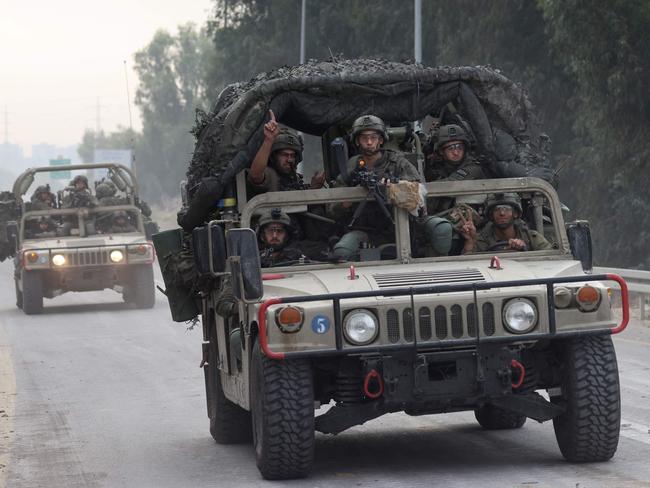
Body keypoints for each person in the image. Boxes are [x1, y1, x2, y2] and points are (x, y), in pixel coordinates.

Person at [332, 115, 451, 260]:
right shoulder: (351, 167)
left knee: (442, 229)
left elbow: (418, 192)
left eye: (373, 137)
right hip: (367, 230)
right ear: (357, 141)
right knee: (342, 251)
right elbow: (332, 207)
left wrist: (394, 188)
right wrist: (345, 203)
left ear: (381, 140)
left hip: (403, 225)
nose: (369, 142)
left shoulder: (397, 162)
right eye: (364, 138)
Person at [248, 110, 325, 194]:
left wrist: (313, 187)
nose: (289, 160)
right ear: (274, 156)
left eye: (292, 156)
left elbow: (297, 204)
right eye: (284, 155)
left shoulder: (295, 179)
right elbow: (255, 175)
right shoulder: (270, 175)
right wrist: (269, 139)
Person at [459, 193, 552, 253]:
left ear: (515, 214)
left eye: (507, 209)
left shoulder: (531, 237)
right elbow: (467, 266)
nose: (502, 213)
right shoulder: (481, 240)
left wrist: (524, 249)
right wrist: (470, 243)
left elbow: (551, 261)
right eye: (496, 210)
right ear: (491, 215)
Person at [424, 124, 491, 182]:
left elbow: (451, 184)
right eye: (450, 148)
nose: (456, 153)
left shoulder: (473, 166)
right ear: (441, 151)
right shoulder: (442, 166)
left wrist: (420, 188)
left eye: (459, 147)